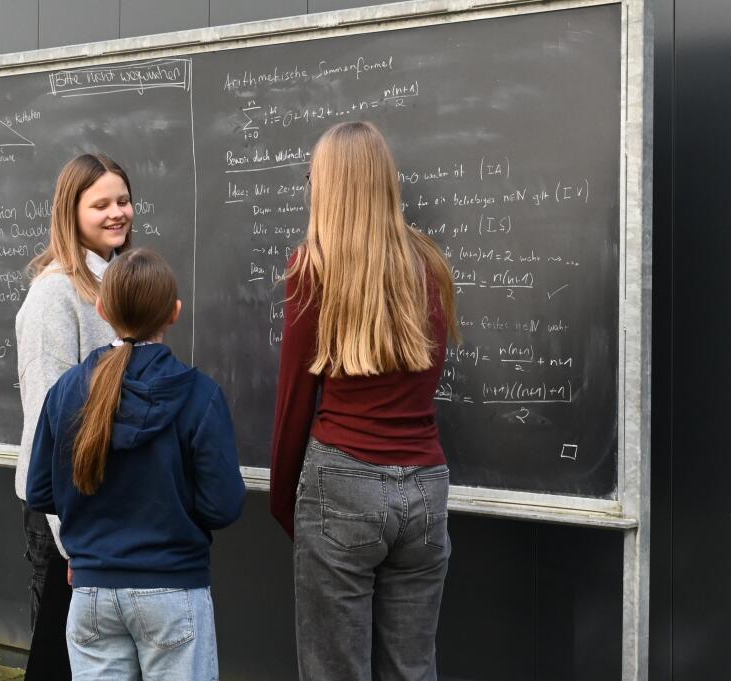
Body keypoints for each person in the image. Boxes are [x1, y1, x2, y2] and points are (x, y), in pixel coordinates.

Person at [270, 121, 459, 681]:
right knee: (412, 669)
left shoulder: (314, 266)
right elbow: (426, 379)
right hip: (425, 485)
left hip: (343, 481)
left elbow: (295, 397)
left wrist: (283, 501)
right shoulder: (429, 263)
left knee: (335, 670)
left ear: (329, 185)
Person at [26, 248, 246, 681]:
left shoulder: (67, 390)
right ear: (174, 312)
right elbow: (222, 506)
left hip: (91, 592)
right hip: (173, 589)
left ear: (102, 309)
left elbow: (40, 491)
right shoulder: (199, 395)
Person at [16, 153, 133, 677]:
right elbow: (50, 418)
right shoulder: (56, 292)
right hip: (66, 509)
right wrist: (70, 537)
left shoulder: (117, 280)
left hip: (106, 501)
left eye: (123, 201)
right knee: (60, 657)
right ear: (71, 212)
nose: (117, 213)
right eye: (100, 204)